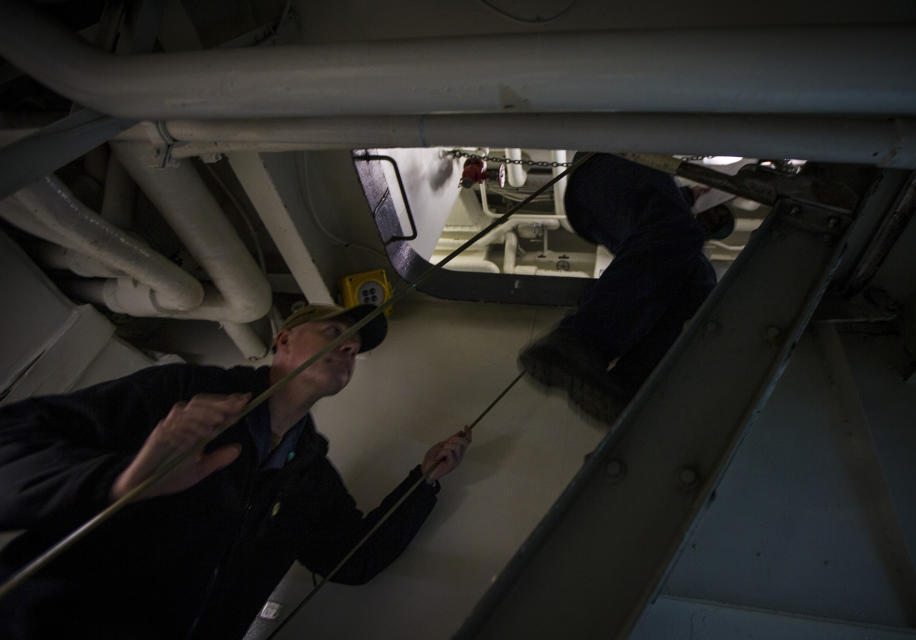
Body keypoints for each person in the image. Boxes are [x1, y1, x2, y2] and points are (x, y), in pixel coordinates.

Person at [0, 303, 471, 639]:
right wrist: (122, 481)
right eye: (335, 333)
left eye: (355, 349)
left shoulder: (310, 477)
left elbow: (353, 559)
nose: (348, 348)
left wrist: (424, 480)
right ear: (283, 339)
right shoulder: (183, 392)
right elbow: (13, 440)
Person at [519, 153, 734, 424]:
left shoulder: (667, 217)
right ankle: (580, 340)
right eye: (715, 214)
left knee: (696, 279)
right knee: (680, 235)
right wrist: (689, 196)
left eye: (714, 222)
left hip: (601, 199)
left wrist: (688, 198)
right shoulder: (670, 213)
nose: (711, 218)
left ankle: (628, 382)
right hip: (609, 164)